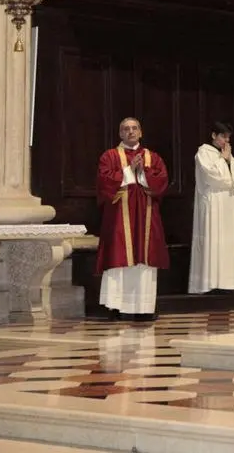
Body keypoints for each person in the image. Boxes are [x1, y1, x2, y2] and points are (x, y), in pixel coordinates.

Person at [96, 117, 169, 321]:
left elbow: (162, 181)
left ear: (140, 132)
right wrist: (129, 171)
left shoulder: (152, 157)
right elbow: (104, 181)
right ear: (120, 134)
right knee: (119, 257)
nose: (130, 132)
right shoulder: (109, 156)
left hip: (146, 215)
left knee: (145, 259)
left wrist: (143, 173)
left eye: (134, 128)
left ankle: (144, 307)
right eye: (126, 129)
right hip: (120, 217)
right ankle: (115, 306)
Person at [188, 121, 234, 294]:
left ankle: (228, 283)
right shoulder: (203, 152)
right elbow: (214, 177)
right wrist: (224, 160)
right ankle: (209, 284)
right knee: (213, 240)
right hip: (213, 202)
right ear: (213, 135)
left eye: (228, 137)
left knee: (228, 241)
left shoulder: (224, 153)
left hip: (228, 203)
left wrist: (228, 160)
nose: (226, 140)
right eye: (222, 136)